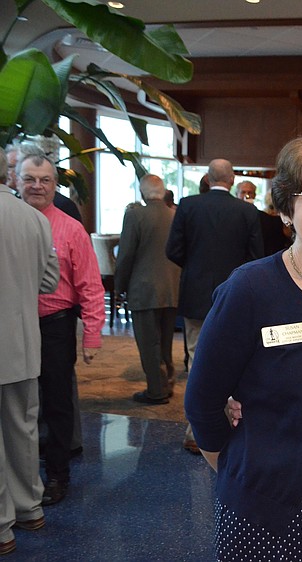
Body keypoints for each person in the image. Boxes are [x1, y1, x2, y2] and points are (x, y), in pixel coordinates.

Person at [185, 130, 302, 560]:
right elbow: (202, 401)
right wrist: (235, 471)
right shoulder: (250, 288)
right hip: (265, 496)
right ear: (287, 209)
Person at [19, 152, 105, 506]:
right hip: (15, 325)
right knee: (18, 403)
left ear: (55, 185)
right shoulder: (9, 223)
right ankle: (21, 477)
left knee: (56, 403)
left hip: (55, 326)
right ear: (16, 180)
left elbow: (90, 285)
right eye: (29, 179)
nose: (37, 186)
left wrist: (92, 334)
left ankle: (57, 475)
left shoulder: (70, 228)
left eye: (45, 180)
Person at [166, 158, 263, 453]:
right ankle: (230, 426)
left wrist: (195, 268)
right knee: (235, 360)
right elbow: (256, 257)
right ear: (232, 180)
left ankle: (196, 432)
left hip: (196, 294)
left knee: (197, 358)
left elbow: (173, 250)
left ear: (208, 179)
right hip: (237, 296)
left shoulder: (188, 205)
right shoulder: (247, 211)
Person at [0, 148, 59, 556]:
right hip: (22, 345)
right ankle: (29, 508)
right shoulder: (35, 219)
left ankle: (2, 526)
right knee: (22, 428)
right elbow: (49, 282)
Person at [115, 174, 182, 405]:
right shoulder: (176, 215)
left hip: (143, 289)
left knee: (148, 344)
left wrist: (119, 286)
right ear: (163, 192)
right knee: (165, 342)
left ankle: (156, 390)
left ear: (143, 193)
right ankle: (168, 382)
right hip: (172, 288)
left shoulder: (135, 216)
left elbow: (125, 256)